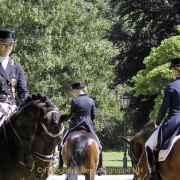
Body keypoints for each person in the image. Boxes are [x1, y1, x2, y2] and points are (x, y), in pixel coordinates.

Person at [57, 82, 105, 174]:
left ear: (79, 90)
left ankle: (60, 168)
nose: (73, 93)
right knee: (99, 145)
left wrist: (71, 122)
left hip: (75, 125)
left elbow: (71, 115)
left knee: (63, 143)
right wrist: (88, 121)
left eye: (74, 91)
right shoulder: (91, 100)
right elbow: (94, 115)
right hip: (88, 126)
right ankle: (100, 168)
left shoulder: (74, 101)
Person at [145, 57, 180, 180]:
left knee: (149, 145)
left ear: (175, 71)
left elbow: (164, 108)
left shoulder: (170, 86)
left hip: (174, 120)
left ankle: (154, 176)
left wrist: (158, 122)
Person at [0, 29, 29, 126]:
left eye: (10, 45)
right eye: (4, 44)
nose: (8, 48)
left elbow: (23, 91)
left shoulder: (17, 67)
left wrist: (27, 106)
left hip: (13, 108)